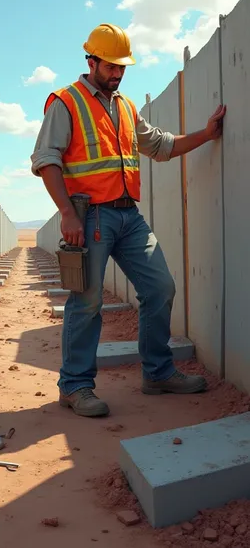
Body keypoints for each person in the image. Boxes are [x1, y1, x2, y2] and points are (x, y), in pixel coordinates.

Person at [31, 23, 226, 418]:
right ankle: (74, 386)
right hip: (90, 218)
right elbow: (45, 159)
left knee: (161, 288)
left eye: (122, 67)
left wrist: (205, 135)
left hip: (127, 215)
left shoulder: (124, 106)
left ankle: (157, 373)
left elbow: (159, 145)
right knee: (86, 303)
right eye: (110, 66)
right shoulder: (65, 103)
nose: (118, 74)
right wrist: (67, 213)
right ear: (92, 61)